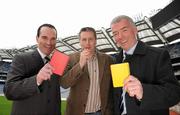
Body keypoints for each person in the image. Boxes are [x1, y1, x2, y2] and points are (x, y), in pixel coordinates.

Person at [110, 15, 180, 115]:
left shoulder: (158, 55)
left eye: (124, 30)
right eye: (115, 33)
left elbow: (174, 94)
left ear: (135, 30)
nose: (120, 37)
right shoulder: (115, 60)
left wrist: (144, 92)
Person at [3, 24, 61, 115]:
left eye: (53, 39)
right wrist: (37, 79)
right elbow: (9, 91)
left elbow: (56, 95)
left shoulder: (56, 61)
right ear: (37, 38)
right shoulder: (21, 58)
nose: (49, 42)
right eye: (44, 37)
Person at [60, 27, 114, 115]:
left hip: (100, 112)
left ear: (95, 41)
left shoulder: (108, 60)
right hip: (76, 112)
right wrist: (80, 64)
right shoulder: (70, 58)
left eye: (90, 39)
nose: (87, 43)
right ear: (80, 42)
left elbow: (112, 88)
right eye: (84, 39)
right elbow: (64, 83)